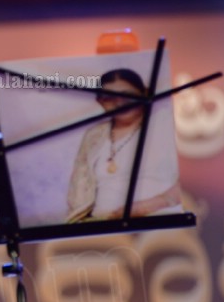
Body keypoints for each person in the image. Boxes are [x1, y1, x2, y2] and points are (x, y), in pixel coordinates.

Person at [67, 68, 182, 222]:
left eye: (128, 95)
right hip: (101, 224)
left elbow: (194, 182)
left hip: (157, 220)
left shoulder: (164, 123)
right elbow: (78, 190)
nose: (120, 102)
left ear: (144, 94)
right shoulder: (93, 135)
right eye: (110, 97)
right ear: (100, 102)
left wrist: (146, 207)